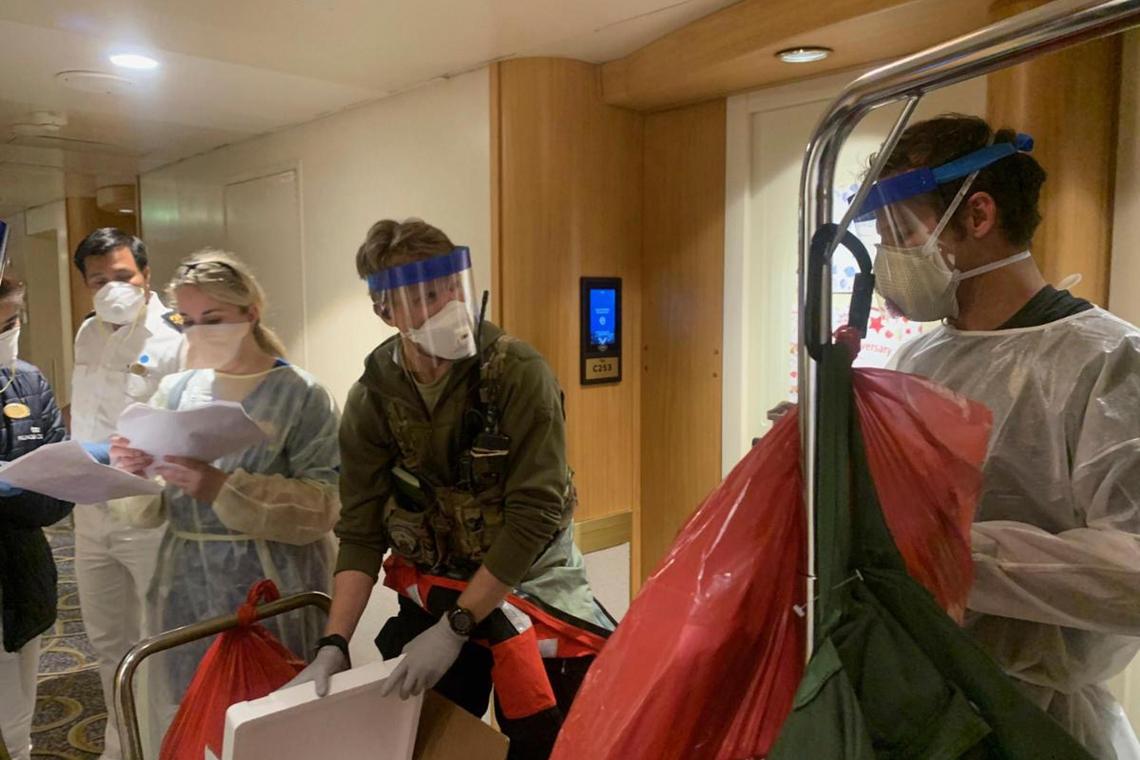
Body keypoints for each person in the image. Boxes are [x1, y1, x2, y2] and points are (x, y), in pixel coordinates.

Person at [855, 114, 1140, 760]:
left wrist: (955, 555)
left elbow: (1133, 571)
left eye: (902, 233)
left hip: (1046, 722)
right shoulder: (918, 360)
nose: (888, 260)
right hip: (931, 705)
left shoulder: (1109, 361)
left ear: (977, 215)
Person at [285, 219, 614, 760]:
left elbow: (534, 513)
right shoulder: (373, 400)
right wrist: (334, 644)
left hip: (531, 589)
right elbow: (362, 530)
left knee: (551, 742)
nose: (443, 307)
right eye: (420, 297)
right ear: (385, 312)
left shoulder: (516, 373)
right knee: (417, 741)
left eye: (446, 289)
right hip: (435, 590)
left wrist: (460, 624)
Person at [109, 250, 340, 750]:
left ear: (250, 312)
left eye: (212, 320)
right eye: (187, 322)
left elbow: (323, 505)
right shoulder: (176, 391)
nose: (198, 333)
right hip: (184, 584)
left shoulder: (301, 395)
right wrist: (135, 472)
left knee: (274, 721)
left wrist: (220, 487)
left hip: (275, 585)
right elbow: (146, 507)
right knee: (194, 716)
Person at [69, 228, 184, 760]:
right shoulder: (87, 333)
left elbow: (187, 428)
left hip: (148, 513)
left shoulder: (174, 336)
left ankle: (163, 747)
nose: (113, 288)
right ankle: (122, 745)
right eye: (100, 280)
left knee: (156, 644)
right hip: (90, 513)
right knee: (106, 642)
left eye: (123, 276)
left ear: (146, 277)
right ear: (86, 286)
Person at [0, 277, 74, 760]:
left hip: (19, 567)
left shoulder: (28, 381)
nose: (4, 337)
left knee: (16, 709)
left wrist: (62, 477)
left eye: (9, 323)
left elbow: (58, 490)